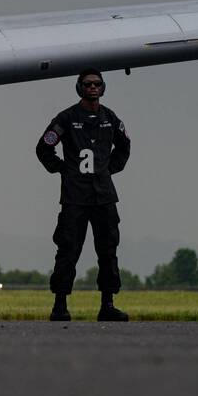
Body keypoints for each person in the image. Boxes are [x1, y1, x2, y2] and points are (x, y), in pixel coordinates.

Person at [36, 68, 131, 321]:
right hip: (75, 197)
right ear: (80, 87)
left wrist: (109, 169)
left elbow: (124, 146)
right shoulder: (66, 118)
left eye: (97, 84)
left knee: (108, 250)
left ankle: (107, 305)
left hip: (104, 196)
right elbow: (43, 147)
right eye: (88, 84)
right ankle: (60, 305)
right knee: (68, 250)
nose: (92, 88)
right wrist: (62, 170)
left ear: (102, 87)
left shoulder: (110, 118)